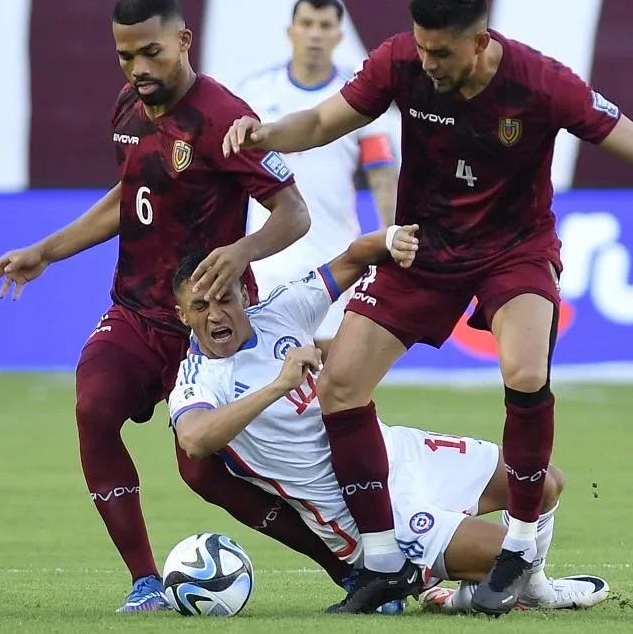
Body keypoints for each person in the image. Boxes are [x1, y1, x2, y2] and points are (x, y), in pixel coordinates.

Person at [222, 0, 633, 615]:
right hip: (424, 248)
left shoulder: (542, 82)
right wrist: (266, 134)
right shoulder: (400, 60)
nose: (426, 62)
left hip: (515, 251)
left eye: (441, 53)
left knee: (523, 370)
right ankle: (380, 562)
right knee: (340, 388)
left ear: (481, 41)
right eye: (421, 47)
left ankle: (519, 544)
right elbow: (324, 120)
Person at [0, 0, 357, 614]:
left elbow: (293, 215)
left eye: (151, 53)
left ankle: (344, 570)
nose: (138, 69)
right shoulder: (130, 105)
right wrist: (48, 250)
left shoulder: (224, 119)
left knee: (203, 471)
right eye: (125, 56)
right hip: (136, 311)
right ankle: (145, 583)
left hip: (209, 325)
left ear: (183, 42)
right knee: (95, 407)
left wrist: (241, 252)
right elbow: (128, 197)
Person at [166, 228, 609, 614]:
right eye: (200, 306)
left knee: (545, 482)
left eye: (225, 298)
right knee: (505, 558)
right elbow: (194, 440)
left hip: (395, 453)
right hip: (359, 513)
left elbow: (353, 258)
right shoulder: (198, 379)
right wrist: (278, 386)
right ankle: (459, 597)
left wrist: (392, 236)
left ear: (245, 294)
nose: (216, 314)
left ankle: (530, 588)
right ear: (183, 315)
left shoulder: (282, 312)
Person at [236, 0, 398, 355]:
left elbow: (381, 172)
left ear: (338, 35)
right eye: (307, 24)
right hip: (267, 256)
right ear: (290, 31)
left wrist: (390, 231)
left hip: (334, 254)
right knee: (262, 364)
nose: (314, 35)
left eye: (325, 26)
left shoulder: (359, 97)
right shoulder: (255, 92)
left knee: (330, 373)